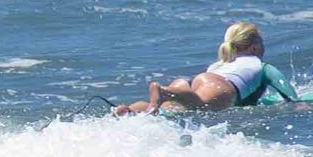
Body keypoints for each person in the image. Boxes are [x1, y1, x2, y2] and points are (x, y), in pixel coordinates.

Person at [111, 21, 299, 116]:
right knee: (199, 105)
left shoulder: (221, 63)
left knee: (167, 112)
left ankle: (130, 111)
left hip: (195, 82)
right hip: (219, 86)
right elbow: (287, 92)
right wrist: (299, 105)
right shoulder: (262, 66)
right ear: (254, 47)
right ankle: (164, 92)